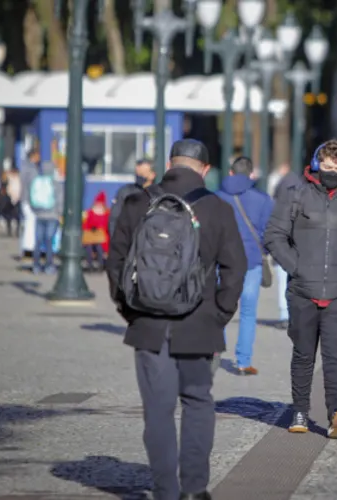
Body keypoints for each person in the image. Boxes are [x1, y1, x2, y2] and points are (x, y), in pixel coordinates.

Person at [106, 139, 246, 500]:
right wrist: (219, 315)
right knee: (198, 402)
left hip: (149, 326)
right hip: (199, 327)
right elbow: (235, 267)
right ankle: (195, 489)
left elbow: (116, 261)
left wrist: (131, 311)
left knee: (158, 411)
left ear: (169, 163)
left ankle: (165, 491)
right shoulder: (217, 209)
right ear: (204, 169)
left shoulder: (139, 202)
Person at [264, 139, 337, 438]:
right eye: (326, 166)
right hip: (302, 290)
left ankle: (336, 413)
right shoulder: (295, 196)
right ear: (316, 165)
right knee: (303, 354)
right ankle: (300, 411)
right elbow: (274, 236)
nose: (331, 171)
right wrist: (296, 267)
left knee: (335, 354)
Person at [215, 156, 274, 375]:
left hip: (222, 261)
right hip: (251, 260)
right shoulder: (263, 199)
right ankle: (243, 361)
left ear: (230, 172)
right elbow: (269, 233)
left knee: (220, 306)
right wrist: (263, 252)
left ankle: (214, 353)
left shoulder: (216, 197)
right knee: (248, 312)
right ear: (251, 175)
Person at [22, 150, 63, 275]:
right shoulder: (55, 183)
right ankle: (49, 265)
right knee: (49, 242)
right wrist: (59, 213)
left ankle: (36, 266)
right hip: (52, 215)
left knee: (38, 241)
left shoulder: (37, 181)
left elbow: (29, 197)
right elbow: (60, 199)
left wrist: (35, 210)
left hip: (39, 214)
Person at [270, 162, 299, 329]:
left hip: (282, 245)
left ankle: (284, 314)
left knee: (282, 279)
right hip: (296, 247)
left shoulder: (279, 199)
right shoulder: (302, 193)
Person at [110, 158, 156, 238]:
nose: (139, 177)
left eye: (142, 174)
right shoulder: (126, 192)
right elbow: (114, 218)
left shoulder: (157, 194)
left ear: (152, 175)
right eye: (137, 174)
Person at [82, 192, 110, 272]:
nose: (98, 205)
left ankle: (100, 265)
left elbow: (107, 226)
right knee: (89, 246)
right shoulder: (90, 213)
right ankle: (89, 264)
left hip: (102, 237)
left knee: (99, 247)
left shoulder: (107, 213)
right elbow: (85, 225)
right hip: (91, 236)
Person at [1, 160, 22, 237]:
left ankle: (13, 230)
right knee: (13, 215)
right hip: (13, 197)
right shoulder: (11, 175)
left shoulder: (10, 175)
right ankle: (13, 230)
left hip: (13, 196)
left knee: (13, 215)